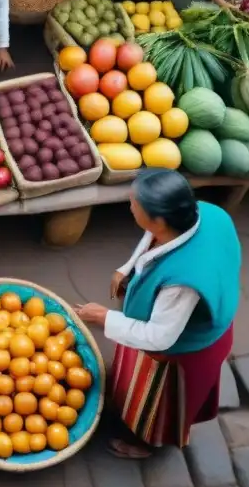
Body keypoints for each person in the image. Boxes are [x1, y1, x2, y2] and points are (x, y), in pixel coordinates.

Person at [75, 169, 240, 459]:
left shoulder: (183, 282)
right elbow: (152, 238)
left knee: (158, 405)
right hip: (170, 325)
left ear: (159, 218)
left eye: (133, 203)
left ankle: (146, 446)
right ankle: (122, 395)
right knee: (129, 374)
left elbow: (159, 336)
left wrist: (104, 318)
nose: (129, 206)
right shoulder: (201, 214)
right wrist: (127, 268)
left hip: (181, 350)